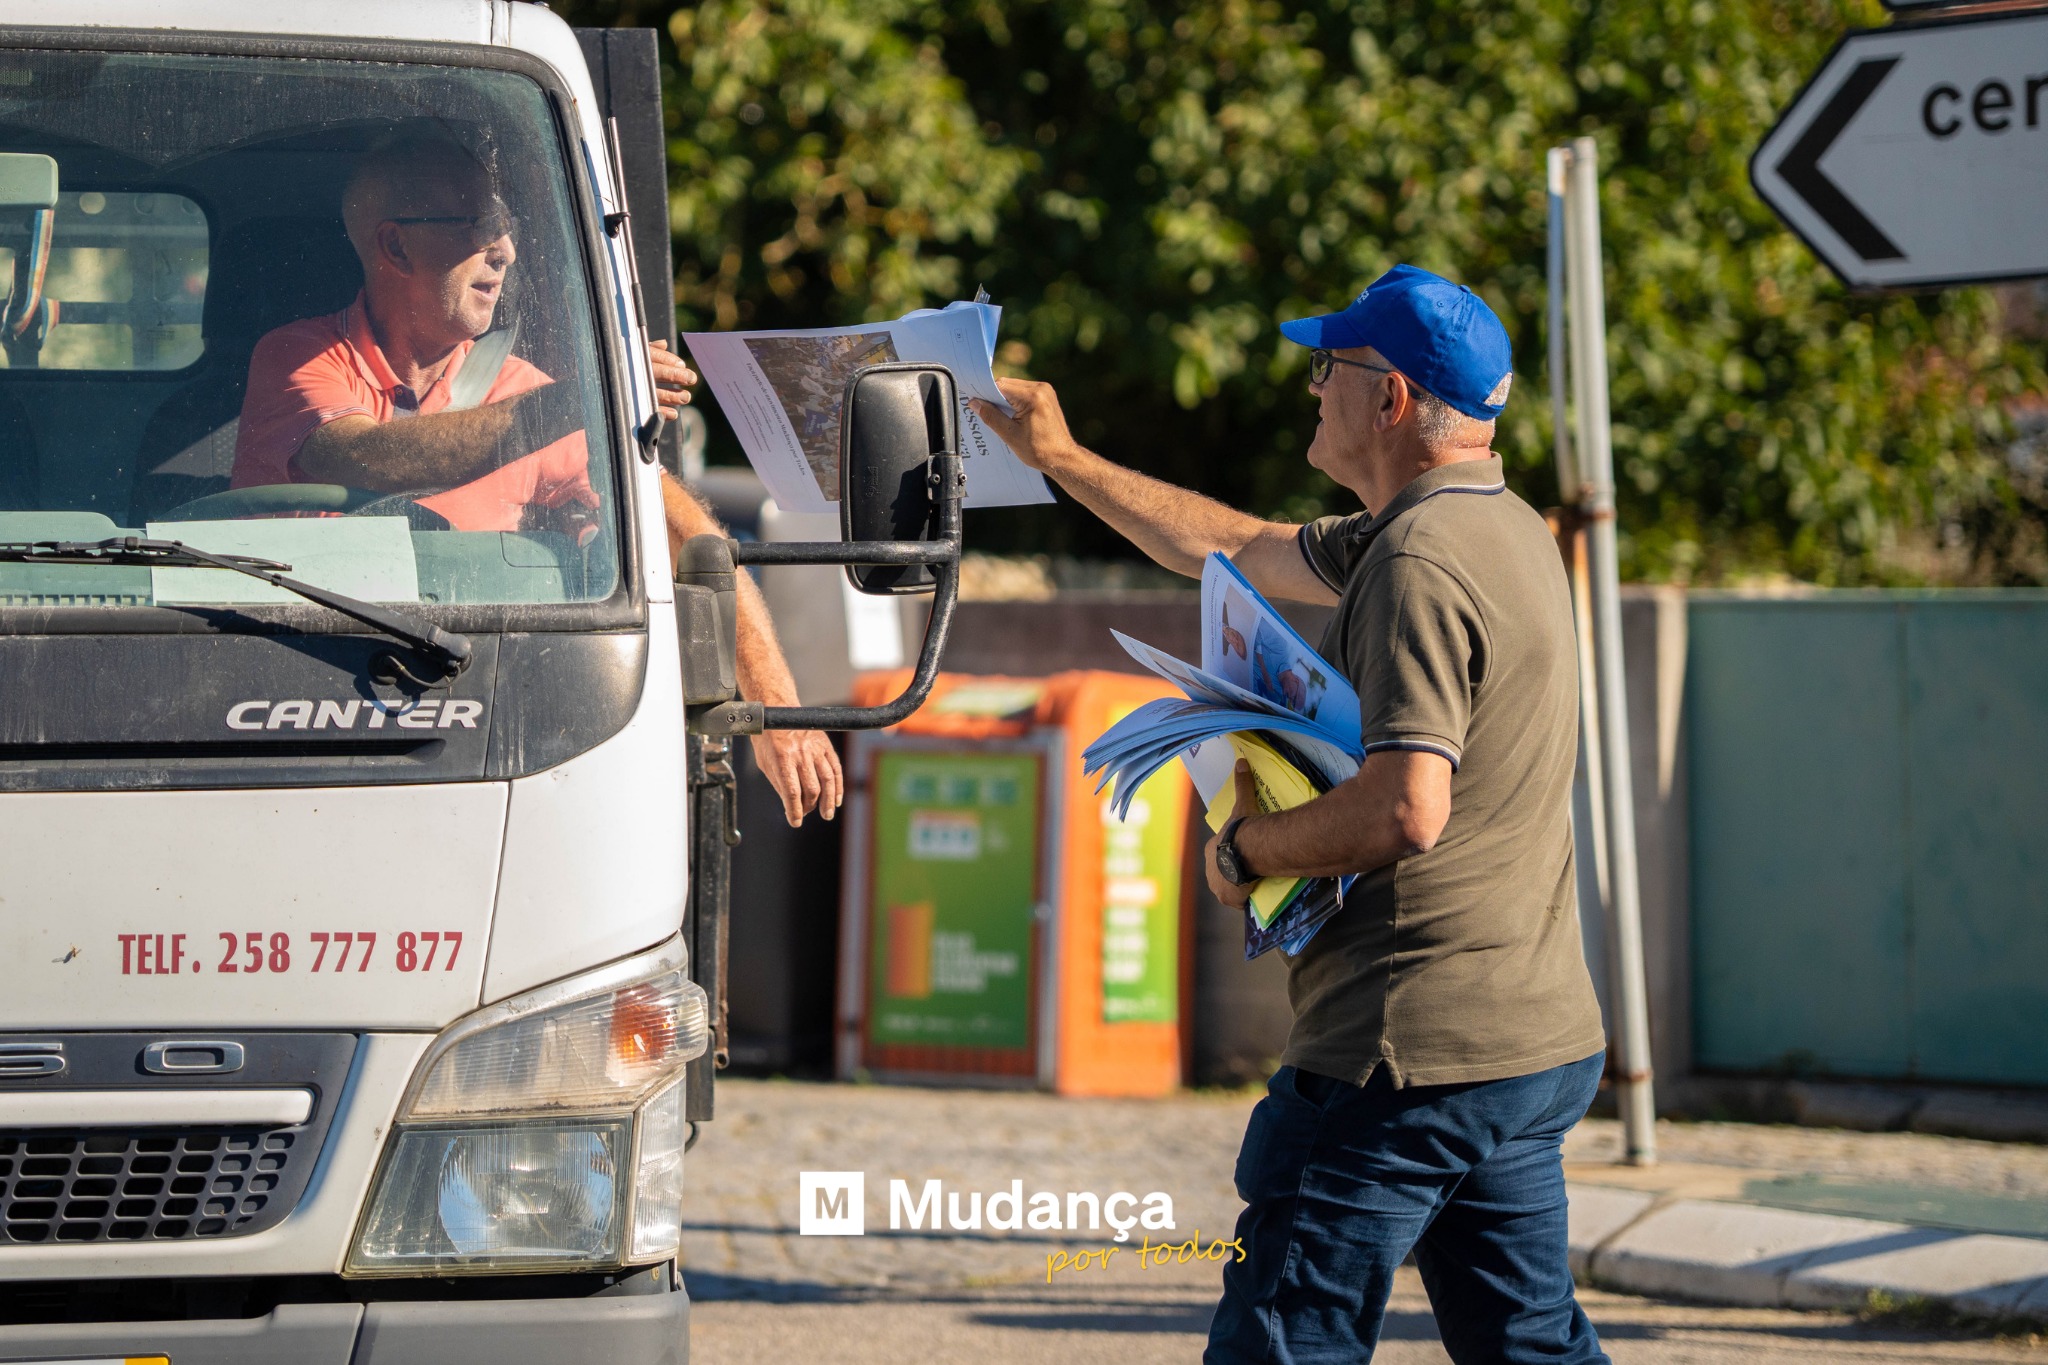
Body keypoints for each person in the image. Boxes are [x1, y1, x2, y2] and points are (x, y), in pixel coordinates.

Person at [972, 264, 1609, 1363]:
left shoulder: (1416, 560)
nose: (1312, 388)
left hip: (1399, 1053)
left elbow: (1407, 807)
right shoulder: (1493, 528)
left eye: (1328, 368)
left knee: (1281, 1342)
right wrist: (1061, 460)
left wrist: (1244, 849)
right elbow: (1232, 545)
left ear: (1390, 398)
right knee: (1529, 1346)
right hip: (1523, 1040)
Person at [230, 131, 840, 826]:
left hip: (475, 736)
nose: (505, 251)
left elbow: (682, 531)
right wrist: (585, 395)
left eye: (506, 225)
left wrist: (774, 709)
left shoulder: (526, 391)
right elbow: (364, 457)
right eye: (477, 225)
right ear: (395, 247)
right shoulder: (300, 357)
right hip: (274, 709)